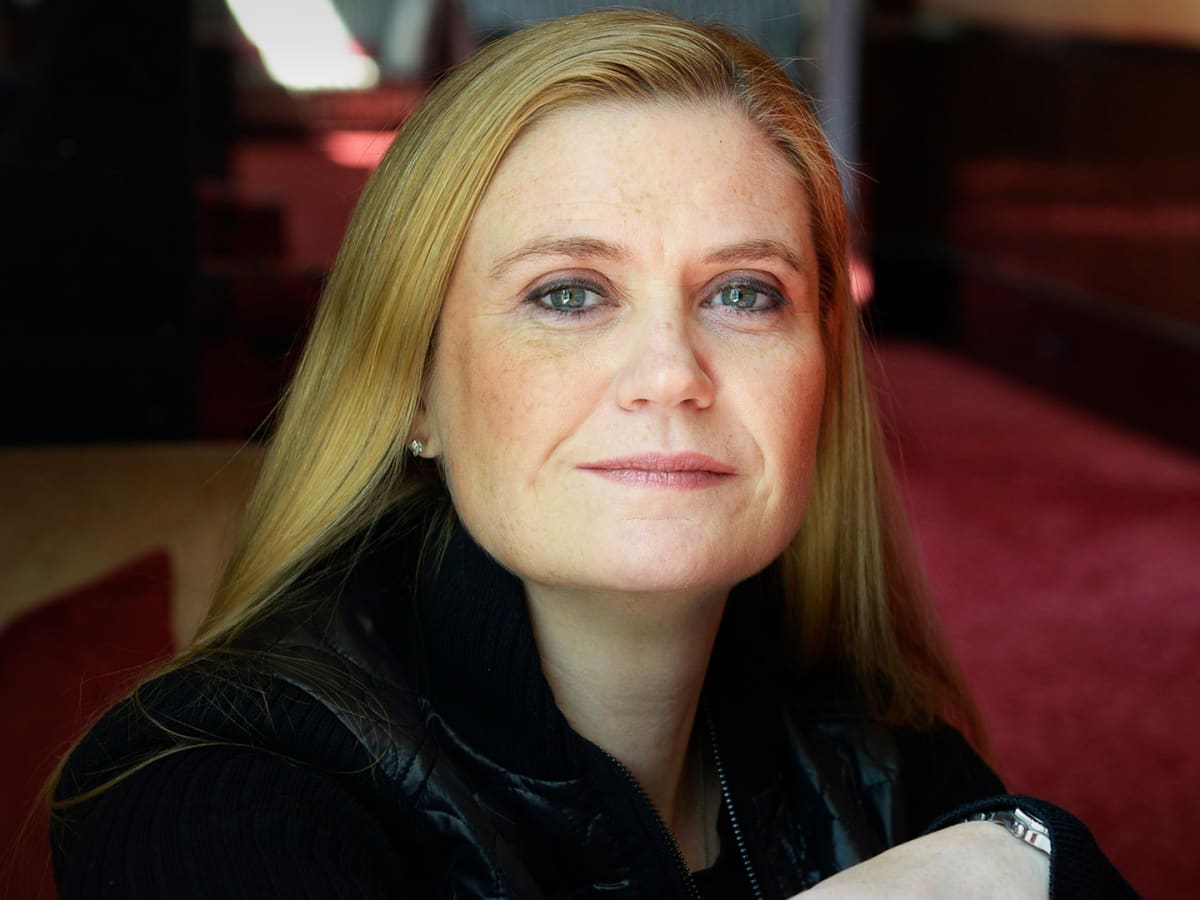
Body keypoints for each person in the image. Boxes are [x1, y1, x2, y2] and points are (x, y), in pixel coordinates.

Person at [50, 10, 1136, 898]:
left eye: (744, 293)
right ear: (415, 393)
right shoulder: (212, 789)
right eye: (568, 294)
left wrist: (1030, 852)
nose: (671, 372)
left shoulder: (871, 744)